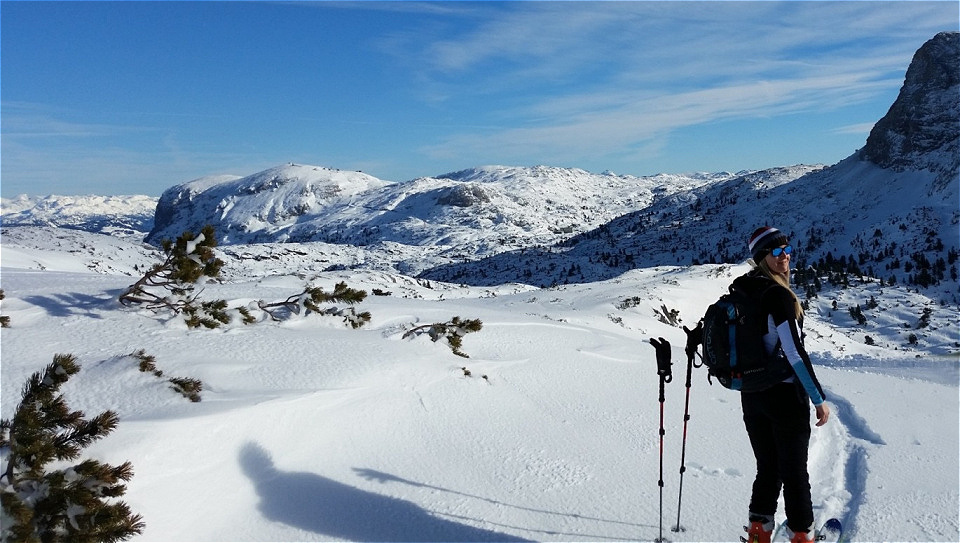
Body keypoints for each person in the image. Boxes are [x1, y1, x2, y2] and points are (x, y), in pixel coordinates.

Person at [737, 226, 831, 543]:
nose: (785, 255)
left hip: (751, 395)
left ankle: (758, 532)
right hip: (784, 396)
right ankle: (802, 535)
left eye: (787, 248)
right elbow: (793, 352)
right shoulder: (778, 295)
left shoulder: (744, 288)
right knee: (793, 472)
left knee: (767, 467)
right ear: (762, 258)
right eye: (776, 252)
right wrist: (817, 398)